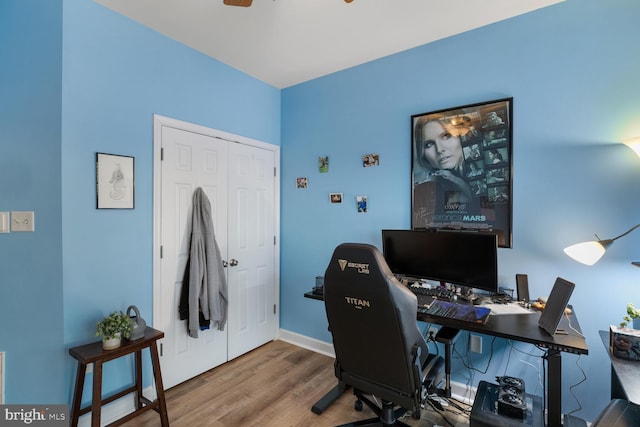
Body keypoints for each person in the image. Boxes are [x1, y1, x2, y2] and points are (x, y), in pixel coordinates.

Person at [413, 116, 471, 203]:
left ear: (462, 136)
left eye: (446, 136)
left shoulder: (482, 170)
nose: (439, 150)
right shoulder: (428, 187)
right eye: (429, 144)